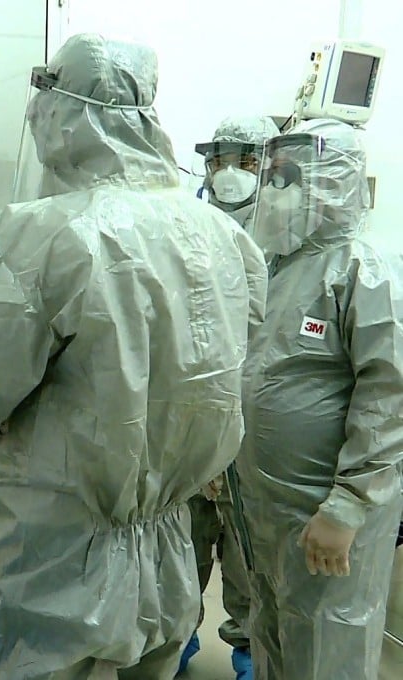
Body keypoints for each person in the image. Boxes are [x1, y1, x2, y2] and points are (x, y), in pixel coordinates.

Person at [0, 33, 268, 679]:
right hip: (165, 554)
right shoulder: (222, 236)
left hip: (49, 563)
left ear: (65, 113)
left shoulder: (48, 234)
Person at [234, 118, 403, 679]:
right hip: (269, 510)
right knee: (277, 638)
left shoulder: (366, 270)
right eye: (274, 176)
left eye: (289, 178)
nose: (274, 193)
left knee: (328, 647)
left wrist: (349, 504)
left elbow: (390, 398)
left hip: (328, 514)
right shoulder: (279, 267)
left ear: (332, 183)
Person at [179, 114, 280, 679]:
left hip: (256, 438)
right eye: (219, 160)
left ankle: (248, 652)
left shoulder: (286, 239)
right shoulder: (188, 229)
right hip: (192, 424)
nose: (230, 173)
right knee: (181, 550)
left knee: (246, 560)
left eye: (245, 161)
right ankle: (175, 640)